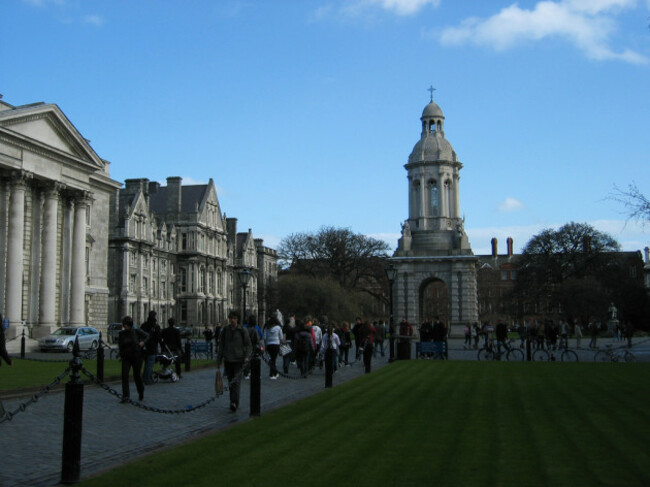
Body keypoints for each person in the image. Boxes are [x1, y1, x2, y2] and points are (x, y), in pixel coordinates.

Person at [216, 311, 252, 412]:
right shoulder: (226, 330)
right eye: (230, 318)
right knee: (231, 382)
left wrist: (246, 356)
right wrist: (219, 360)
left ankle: (234, 402)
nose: (232, 320)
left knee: (236, 382)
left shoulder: (242, 330)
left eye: (234, 318)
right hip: (228, 359)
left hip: (238, 359)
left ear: (237, 319)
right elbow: (221, 345)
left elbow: (248, 345)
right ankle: (232, 401)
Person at [118, 316, 148, 403]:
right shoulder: (122, 334)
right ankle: (126, 396)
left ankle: (141, 391)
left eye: (126, 325)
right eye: (124, 325)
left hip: (136, 356)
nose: (125, 327)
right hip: (126, 357)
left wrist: (143, 342)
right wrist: (121, 354)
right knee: (124, 375)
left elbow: (147, 336)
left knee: (137, 375)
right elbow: (120, 346)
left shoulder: (136, 331)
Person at [140, 310, 162, 385]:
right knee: (150, 364)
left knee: (147, 363)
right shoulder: (156, 326)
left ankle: (145, 377)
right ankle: (147, 378)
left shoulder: (143, 325)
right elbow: (159, 338)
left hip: (144, 346)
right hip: (152, 347)